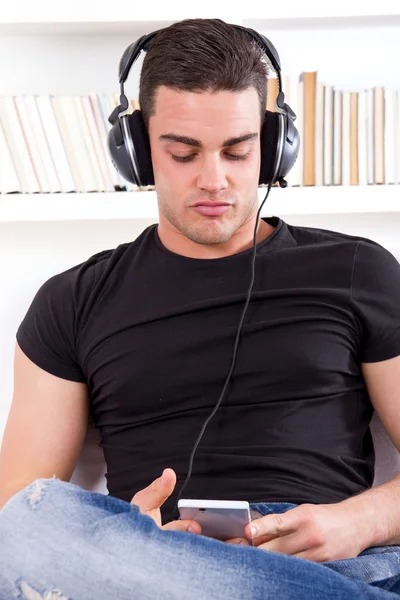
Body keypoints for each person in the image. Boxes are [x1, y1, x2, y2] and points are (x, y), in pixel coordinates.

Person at [1, 17, 400, 600]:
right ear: (136, 151)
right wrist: (127, 535)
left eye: (238, 151)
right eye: (183, 154)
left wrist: (359, 521)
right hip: (146, 563)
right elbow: (18, 516)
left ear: (274, 145)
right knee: (29, 517)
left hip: (329, 566)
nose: (214, 181)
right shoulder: (71, 301)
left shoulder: (359, 271)